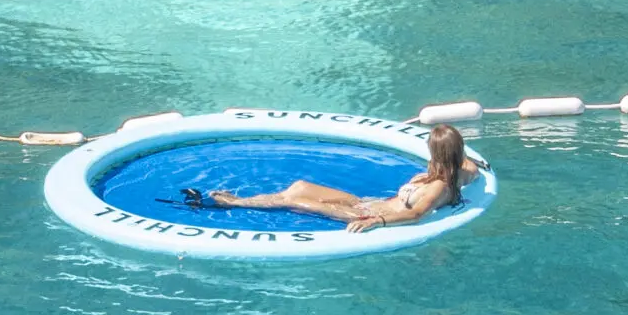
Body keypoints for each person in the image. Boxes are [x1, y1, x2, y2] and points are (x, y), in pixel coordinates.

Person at [192, 121, 477, 233]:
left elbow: (416, 214)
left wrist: (376, 221)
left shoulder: (439, 185)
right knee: (300, 186)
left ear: (437, 152)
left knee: (296, 201)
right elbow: (472, 167)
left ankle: (235, 203)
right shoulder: (457, 172)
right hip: (367, 202)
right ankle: (238, 200)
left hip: (364, 213)